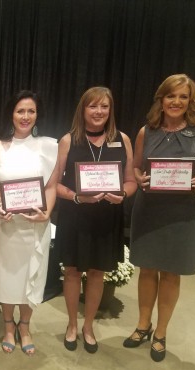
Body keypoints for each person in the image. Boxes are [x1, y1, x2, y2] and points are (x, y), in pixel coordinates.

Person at [124, 74, 195, 361]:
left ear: (190, 101)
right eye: (171, 96)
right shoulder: (145, 131)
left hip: (184, 213)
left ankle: (160, 332)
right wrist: (141, 179)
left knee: (171, 273)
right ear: (161, 99)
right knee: (147, 270)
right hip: (150, 209)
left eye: (183, 96)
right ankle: (142, 325)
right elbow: (136, 168)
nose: (176, 102)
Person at [54, 86, 136, 354]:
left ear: (110, 110)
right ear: (83, 109)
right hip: (76, 216)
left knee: (98, 273)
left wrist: (122, 195)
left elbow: (131, 181)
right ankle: (71, 325)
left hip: (106, 217)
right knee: (73, 271)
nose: (99, 111)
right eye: (93, 106)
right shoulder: (68, 140)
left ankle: (88, 326)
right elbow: (55, 185)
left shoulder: (122, 139)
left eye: (104, 106)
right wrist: (78, 197)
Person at [0, 90, 58, 356]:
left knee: (33, 274)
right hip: (7, 225)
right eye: (20, 111)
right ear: (11, 114)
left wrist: (47, 213)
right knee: (7, 275)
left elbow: (51, 185)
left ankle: (25, 327)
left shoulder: (49, 146)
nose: (25, 116)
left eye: (31, 111)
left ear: (37, 115)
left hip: (36, 224)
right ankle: (8, 326)